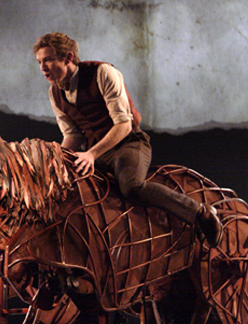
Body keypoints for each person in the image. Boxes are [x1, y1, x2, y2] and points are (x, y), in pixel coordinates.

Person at [33, 32, 222, 247]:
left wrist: (91, 154)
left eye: (48, 60)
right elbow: (72, 135)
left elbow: (123, 125)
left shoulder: (103, 72)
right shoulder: (54, 93)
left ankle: (201, 212)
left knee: (131, 187)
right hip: (97, 153)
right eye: (39, 62)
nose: (42, 68)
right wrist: (57, 160)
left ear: (68, 57)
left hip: (128, 144)